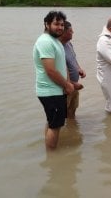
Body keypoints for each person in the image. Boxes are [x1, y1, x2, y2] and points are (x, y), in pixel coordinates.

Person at [33, 10, 74, 150]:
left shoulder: (55, 41)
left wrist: (68, 83)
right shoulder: (45, 41)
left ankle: (49, 152)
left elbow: (61, 65)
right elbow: (50, 70)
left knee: (52, 123)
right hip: (50, 91)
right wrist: (67, 85)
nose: (60, 27)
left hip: (56, 90)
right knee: (55, 126)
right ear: (46, 24)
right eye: (56, 24)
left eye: (62, 25)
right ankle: (52, 157)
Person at [58, 20, 86, 119]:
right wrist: (73, 84)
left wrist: (79, 69)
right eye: (70, 31)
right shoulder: (58, 47)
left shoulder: (69, 44)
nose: (73, 33)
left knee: (72, 111)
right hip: (65, 88)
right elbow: (59, 70)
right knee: (59, 116)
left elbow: (73, 59)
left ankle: (72, 131)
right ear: (64, 32)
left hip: (74, 87)